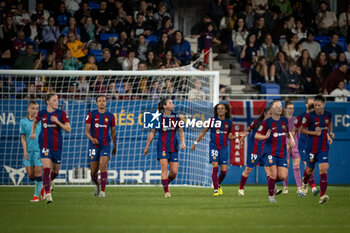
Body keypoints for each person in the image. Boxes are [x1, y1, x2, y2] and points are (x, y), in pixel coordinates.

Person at [30, 94, 71, 203]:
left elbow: (68, 129)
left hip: (57, 146)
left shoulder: (61, 113)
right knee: (47, 169)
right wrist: (33, 132)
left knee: (55, 171)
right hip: (45, 145)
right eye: (54, 100)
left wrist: (57, 122)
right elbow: (35, 121)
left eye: (57, 100)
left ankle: (50, 181)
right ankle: (48, 194)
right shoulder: (42, 113)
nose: (56, 102)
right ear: (47, 102)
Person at [191, 103, 236, 196]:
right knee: (215, 166)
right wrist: (195, 143)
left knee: (223, 171)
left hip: (224, 147)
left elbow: (230, 137)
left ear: (226, 110)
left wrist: (236, 136)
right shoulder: (212, 121)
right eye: (218, 108)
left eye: (222, 108)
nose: (220, 110)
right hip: (214, 147)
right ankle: (215, 190)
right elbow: (203, 132)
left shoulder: (229, 123)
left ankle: (218, 184)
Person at [144, 98, 186, 198]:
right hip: (162, 146)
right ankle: (166, 192)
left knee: (174, 172)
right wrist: (147, 146)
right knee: (164, 170)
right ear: (165, 106)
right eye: (170, 102)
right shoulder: (158, 117)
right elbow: (152, 132)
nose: (172, 104)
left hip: (174, 147)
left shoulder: (176, 117)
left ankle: (165, 183)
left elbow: (180, 130)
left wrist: (182, 142)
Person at [255, 100, 295, 203]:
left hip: (282, 152)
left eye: (280, 106)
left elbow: (288, 132)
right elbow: (256, 135)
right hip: (270, 152)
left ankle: (271, 183)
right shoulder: (266, 122)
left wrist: (291, 139)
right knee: (273, 174)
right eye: (277, 106)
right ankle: (271, 197)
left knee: (283, 176)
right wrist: (265, 136)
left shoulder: (284, 120)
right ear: (272, 109)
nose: (279, 108)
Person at [301, 95, 334, 204]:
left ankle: (322, 195)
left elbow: (329, 124)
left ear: (324, 104)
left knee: (323, 169)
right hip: (311, 148)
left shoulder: (328, 114)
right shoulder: (309, 116)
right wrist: (314, 133)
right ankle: (304, 181)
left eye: (319, 105)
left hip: (323, 147)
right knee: (309, 170)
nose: (317, 107)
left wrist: (330, 133)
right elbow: (302, 130)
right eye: (315, 105)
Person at [85, 96, 116, 197]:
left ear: (106, 103)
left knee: (103, 165)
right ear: (96, 103)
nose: (101, 103)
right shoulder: (91, 114)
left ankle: (103, 191)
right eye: (99, 101)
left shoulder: (110, 116)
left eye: (103, 101)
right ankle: (96, 184)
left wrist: (115, 146)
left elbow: (113, 132)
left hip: (105, 144)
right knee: (93, 171)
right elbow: (87, 131)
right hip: (93, 145)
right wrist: (92, 139)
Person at [238, 107, 272, 196]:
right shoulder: (257, 122)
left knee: (268, 170)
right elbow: (248, 130)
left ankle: (272, 189)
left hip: (264, 150)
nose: (271, 116)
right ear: (265, 114)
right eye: (269, 114)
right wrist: (242, 139)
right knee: (248, 170)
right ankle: (241, 188)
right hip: (254, 150)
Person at [291, 97, 317, 194]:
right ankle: (313, 187)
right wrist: (291, 140)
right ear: (306, 105)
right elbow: (293, 130)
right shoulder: (301, 117)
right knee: (307, 164)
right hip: (303, 145)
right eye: (310, 103)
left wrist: (328, 136)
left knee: (311, 166)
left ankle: (305, 181)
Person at [20, 101, 44, 202]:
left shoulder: (41, 121)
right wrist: (25, 151)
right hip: (29, 152)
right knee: (31, 175)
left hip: (39, 150)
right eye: (33, 108)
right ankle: (42, 187)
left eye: (36, 109)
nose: (35, 111)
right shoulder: (23, 122)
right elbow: (23, 137)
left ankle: (36, 196)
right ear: (28, 109)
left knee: (38, 172)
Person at [282, 101, 306, 197]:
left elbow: (299, 133)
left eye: (292, 108)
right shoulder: (281, 120)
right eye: (289, 108)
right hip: (285, 146)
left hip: (295, 146)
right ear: (285, 109)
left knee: (296, 167)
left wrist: (300, 145)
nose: (291, 110)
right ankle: (285, 187)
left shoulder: (296, 120)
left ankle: (299, 188)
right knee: (285, 167)